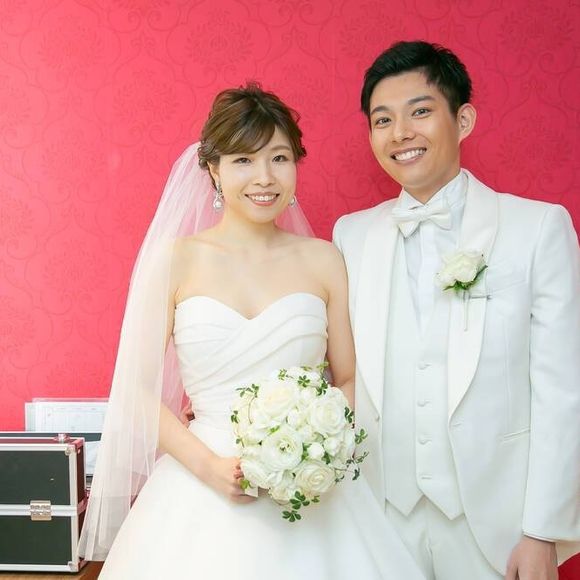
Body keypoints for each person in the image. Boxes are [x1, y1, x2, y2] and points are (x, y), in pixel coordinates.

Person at [78, 83, 424, 579]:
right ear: (213, 170)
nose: (264, 177)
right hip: (200, 484)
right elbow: (136, 391)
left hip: (312, 492)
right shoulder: (175, 261)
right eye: (243, 160)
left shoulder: (324, 260)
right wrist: (211, 468)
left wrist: (315, 450)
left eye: (279, 158)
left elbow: (347, 378)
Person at [333, 40, 580, 580]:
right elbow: (331, 361)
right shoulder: (350, 235)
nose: (400, 133)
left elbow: (564, 390)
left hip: (496, 527)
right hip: (378, 518)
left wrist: (543, 531)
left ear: (463, 119)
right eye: (382, 120)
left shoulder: (538, 228)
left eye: (420, 112)